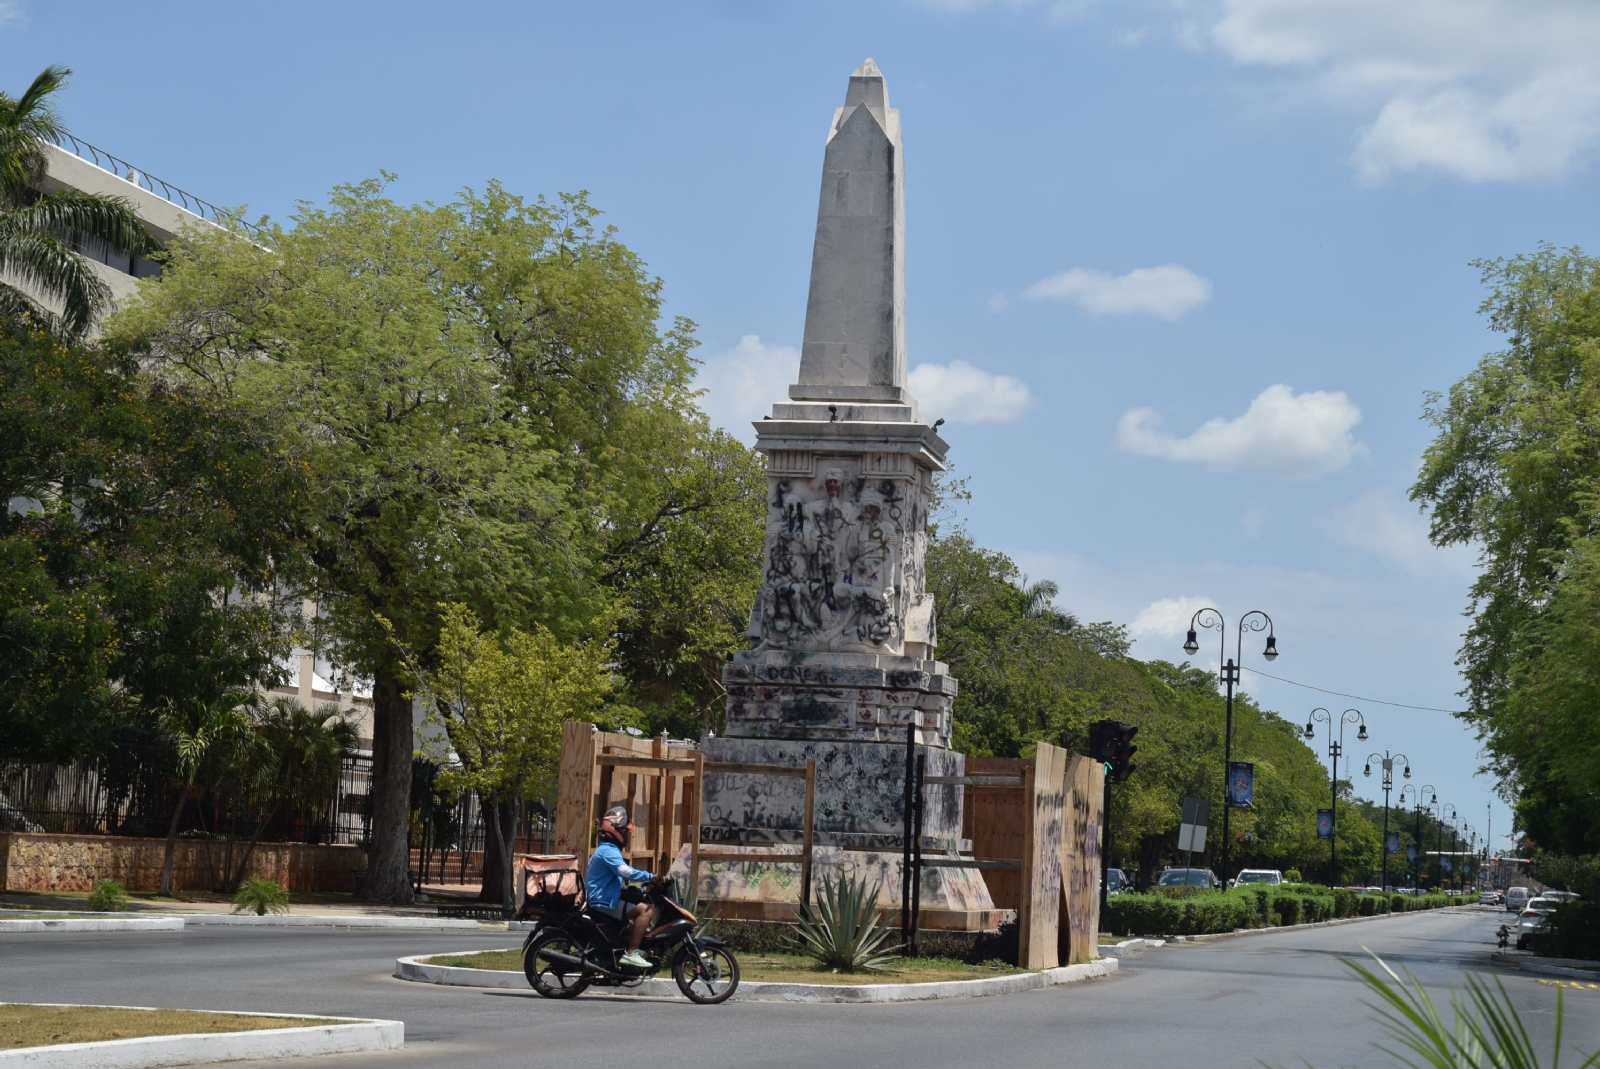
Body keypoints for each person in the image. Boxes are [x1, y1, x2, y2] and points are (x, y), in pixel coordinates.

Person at [585, 806, 660, 969]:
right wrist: (650, 876)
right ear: (614, 831)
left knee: (633, 931)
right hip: (604, 900)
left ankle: (617, 960)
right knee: (646, 911)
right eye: (624, 831)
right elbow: (624, 871)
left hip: (605, 898)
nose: (626, 835)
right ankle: (631, 954)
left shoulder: (608, 850)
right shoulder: (607, 851)